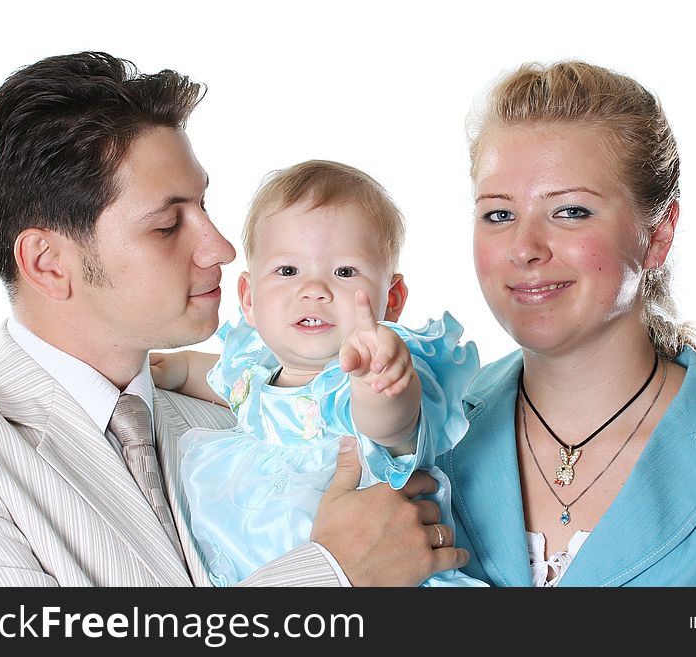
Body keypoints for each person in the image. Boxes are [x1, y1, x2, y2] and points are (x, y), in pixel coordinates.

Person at [0, 51, 468, 587]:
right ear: (48, 264)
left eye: (204, 206)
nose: (223, 249)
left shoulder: (242, 409)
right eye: (166, 225)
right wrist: (334, 574)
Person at [439, 60, 696, 586]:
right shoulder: (420, 438)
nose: (524, 248)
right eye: (498, 214)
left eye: (571, 212)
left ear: (657, 235)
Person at [151, 160, 485, 586]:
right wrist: (177, 368)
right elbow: (221, 380)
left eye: (344, 272)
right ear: (249, 299)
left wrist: (382, 384)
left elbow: (390, 426)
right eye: (288, 271)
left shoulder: (361, 384)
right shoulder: (255, 373)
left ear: (392, 297)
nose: (314, 289)